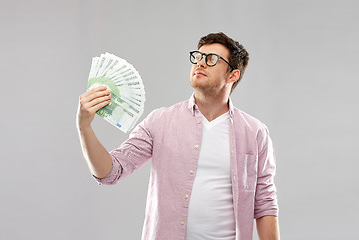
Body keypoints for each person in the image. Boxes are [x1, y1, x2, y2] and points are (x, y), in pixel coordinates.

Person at [77, 32, 280, 240]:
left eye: (211, 59)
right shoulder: (160, 121)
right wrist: (85, 127)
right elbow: (110, 172)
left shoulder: (255, 132)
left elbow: (264, 203)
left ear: (232, 75)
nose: (200, 63)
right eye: (198, 57)